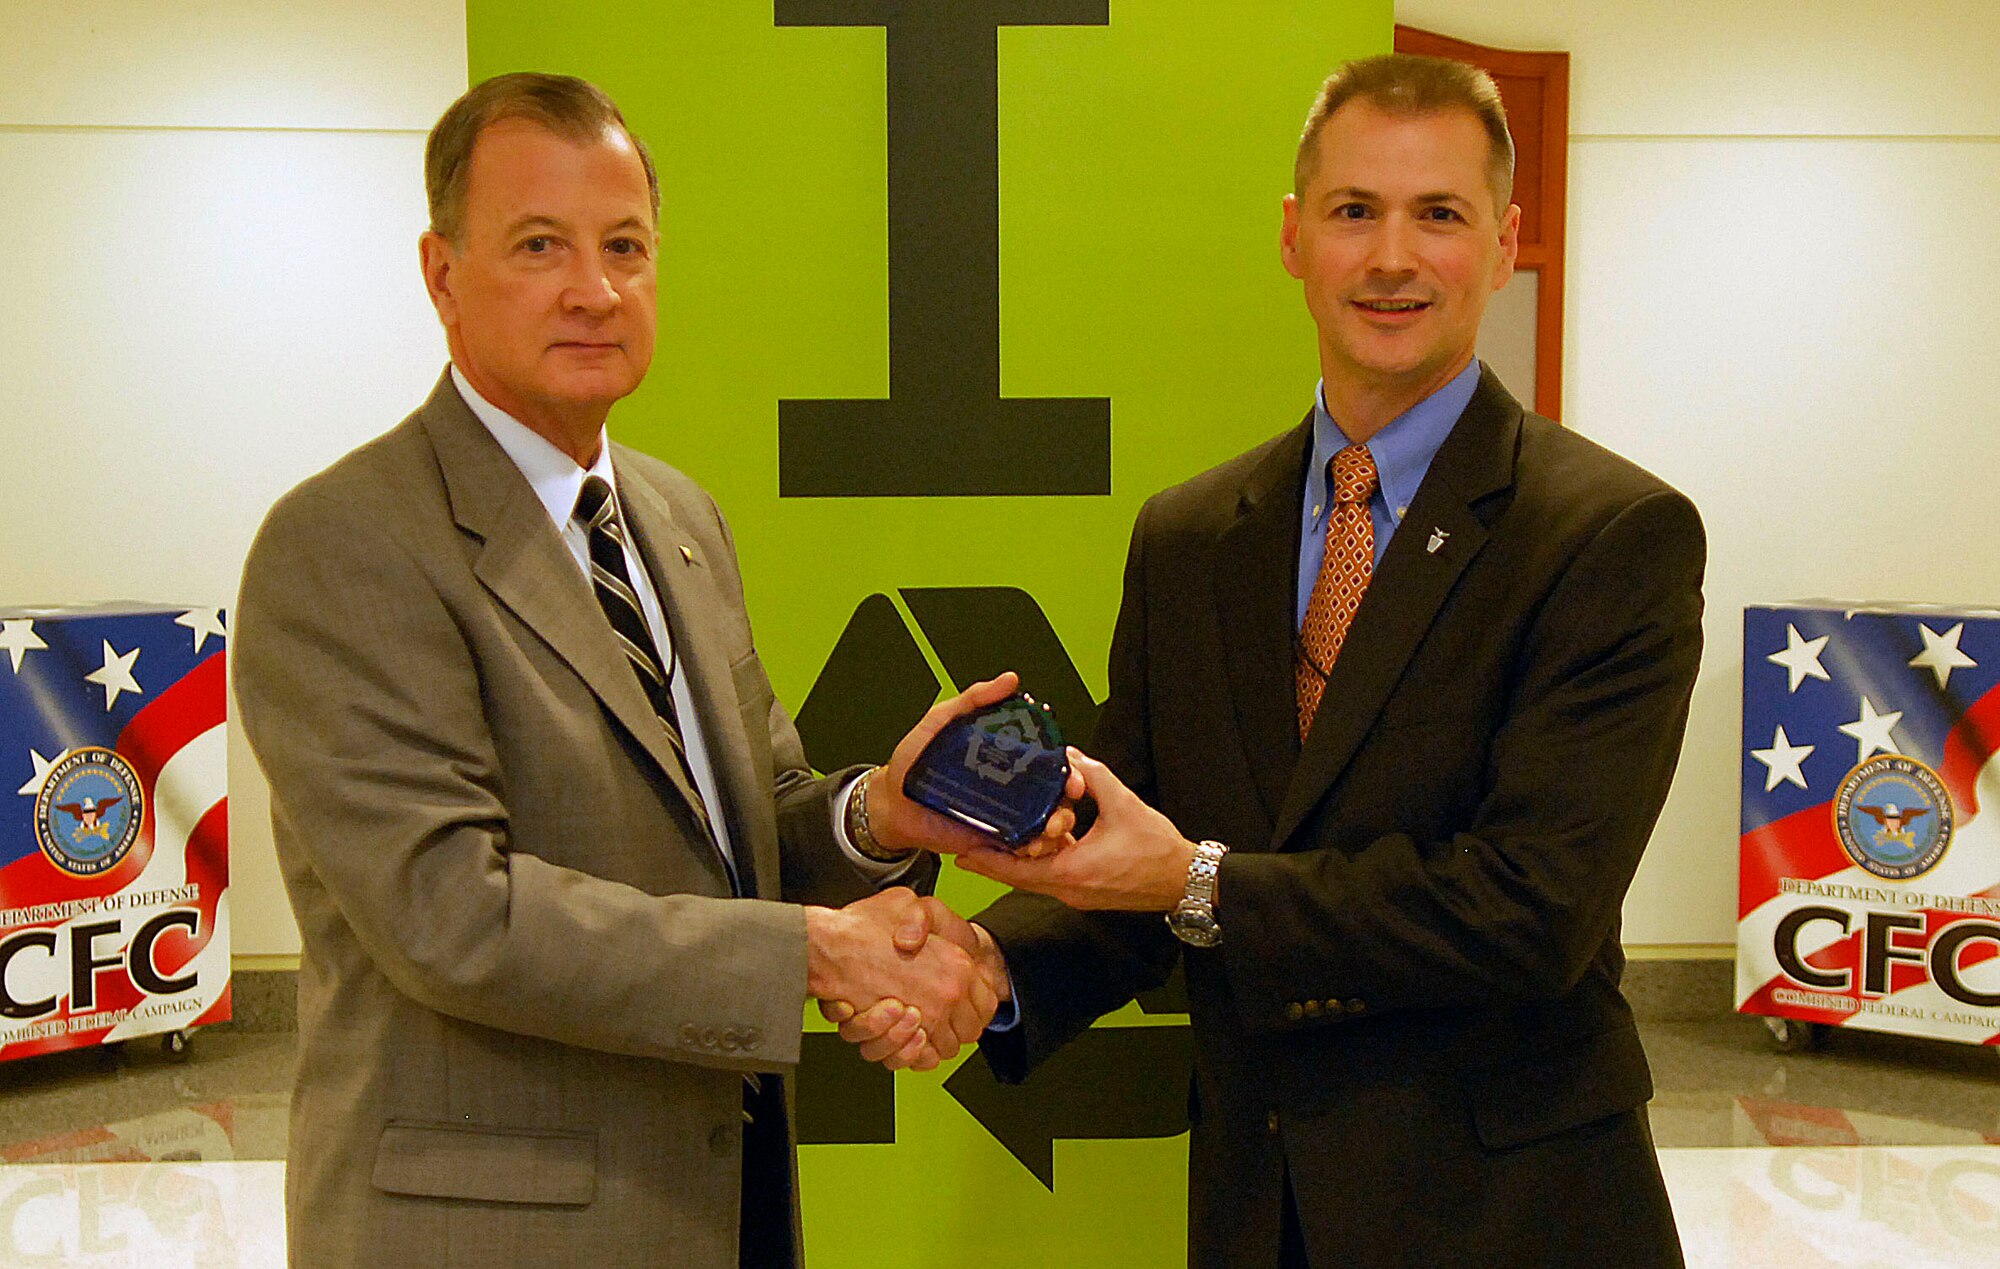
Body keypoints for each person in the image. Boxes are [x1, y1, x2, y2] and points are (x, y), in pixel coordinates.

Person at [843, 52, 1703, 1267]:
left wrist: (1194, 882)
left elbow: (1528, 910)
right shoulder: (1191, 536)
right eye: (1355, 212)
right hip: (1259, 1203)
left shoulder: (1608, 535)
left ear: (1502, 243)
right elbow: (1130, 856)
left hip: (1511, 1214)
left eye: (1437, 215)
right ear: (1295, 238)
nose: (1392, 257)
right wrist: (993, 965)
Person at [233, 73, 1030, 1269]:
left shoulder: (676, 519)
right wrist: (814, 954)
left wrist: (877, 816)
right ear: (441, 273)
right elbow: (452, 913)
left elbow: (744, 836)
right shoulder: (343, 542)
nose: (594, 290)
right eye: (539, 244)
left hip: (720, 1206)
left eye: (625, 246)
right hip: (486, 1234)